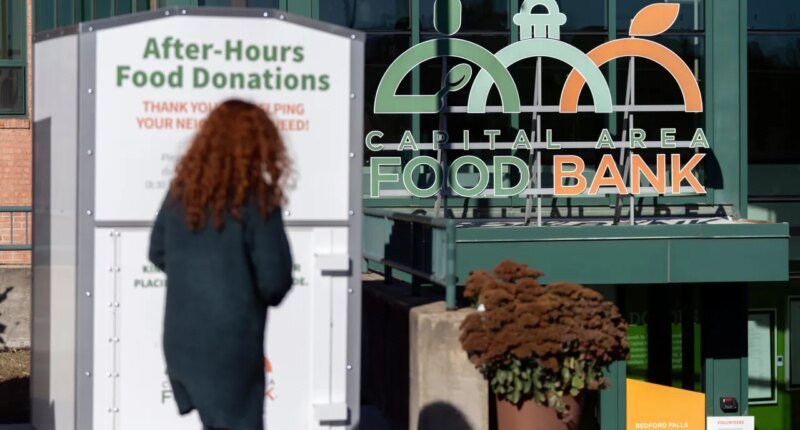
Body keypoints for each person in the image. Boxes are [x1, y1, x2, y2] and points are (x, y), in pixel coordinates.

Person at [148, 99, 294, 430]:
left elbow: (157, 252)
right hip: (232, 345)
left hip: (181, 342)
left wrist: (196, 278)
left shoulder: (182, 193)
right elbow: (275, 279)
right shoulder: (256, 198)